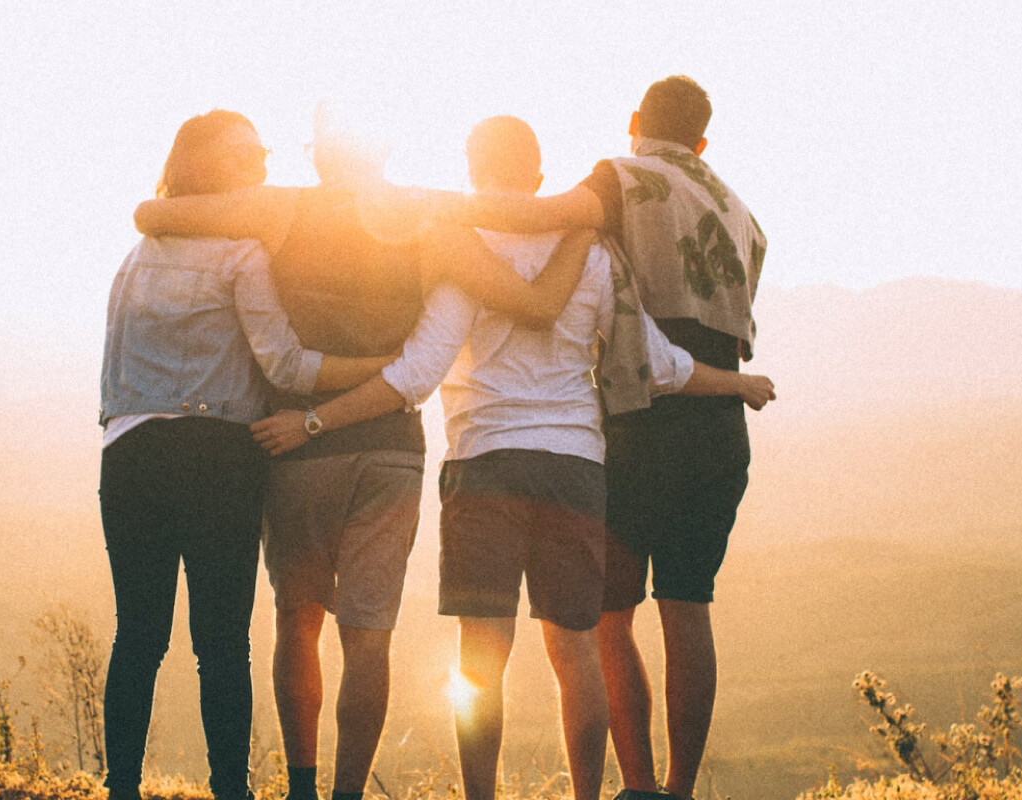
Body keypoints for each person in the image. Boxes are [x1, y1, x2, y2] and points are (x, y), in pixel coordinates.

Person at [250, 115, 773, 800]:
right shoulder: (592, 253)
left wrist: (316, 421)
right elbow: (656, 364)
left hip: (485, 464)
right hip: (576, 466)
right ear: (537, 174)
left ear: (473, 171)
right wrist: (736, 382)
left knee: (481, 654)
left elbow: (416, 374)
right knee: (576, 647)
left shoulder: (463, 253)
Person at [132, 102, 590, 800]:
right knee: (368, 636)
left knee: (298, 621)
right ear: (383, 150)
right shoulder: (429, 220)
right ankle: (349, 791)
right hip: (390, 452)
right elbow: (530, 298)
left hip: (297, 447)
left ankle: (304, 789)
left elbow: (153, 217)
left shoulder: (278, 210)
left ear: (318, 154)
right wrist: (588, 217)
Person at [440, 78, 769, 800]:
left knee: (606, 618)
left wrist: (433, 211)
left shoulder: (622, 178)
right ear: (702, 140)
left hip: (638, 416)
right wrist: (735, 383)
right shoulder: (740, 211)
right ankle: (679, 790)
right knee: (689, 605)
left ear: (634, 123)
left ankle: (639, 786)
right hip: (718, 419)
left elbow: (545, 214)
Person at [97, 110, 396, 800]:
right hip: (217, 456)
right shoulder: (242, 255)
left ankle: (122, 788)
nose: (262, 165)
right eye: (246, 155)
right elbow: (286, 365)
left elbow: (114, 370)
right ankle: (230, 788)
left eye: (263, 151)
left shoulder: (134, 257)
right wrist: (383, 366)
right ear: (206, 166)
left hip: (130, 454)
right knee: (221, 641)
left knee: (138, 634)